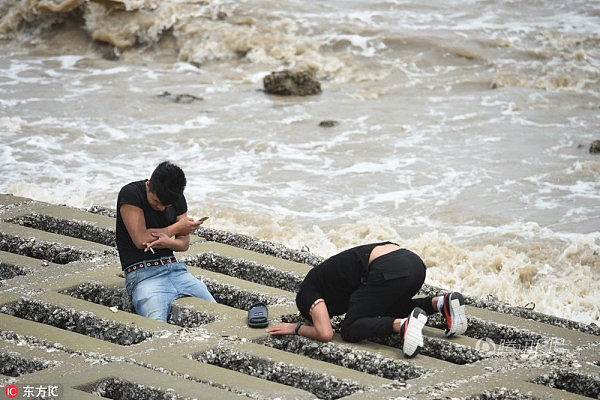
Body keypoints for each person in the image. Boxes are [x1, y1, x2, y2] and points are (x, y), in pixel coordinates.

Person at [266, 242, 467, 357]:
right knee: (385, 308)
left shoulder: (308, 292)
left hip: (388, 269)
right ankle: (443, 303)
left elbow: (326, 333)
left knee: (350, 329)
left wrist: (295, 328)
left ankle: (404, 325)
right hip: (414, 265)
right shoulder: (331, 278)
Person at [115, 161, 216, 322]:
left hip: (176, 270)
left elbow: (183, 244)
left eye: (166, 205)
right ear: (148, 185)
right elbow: (140, 239)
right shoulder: (131, 194)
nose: (161, 208)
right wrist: (176, 228)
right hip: (143, 276)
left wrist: (167, 242)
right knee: (156, 326)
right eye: (156, 202)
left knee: (216, 314)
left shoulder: (175, 197)